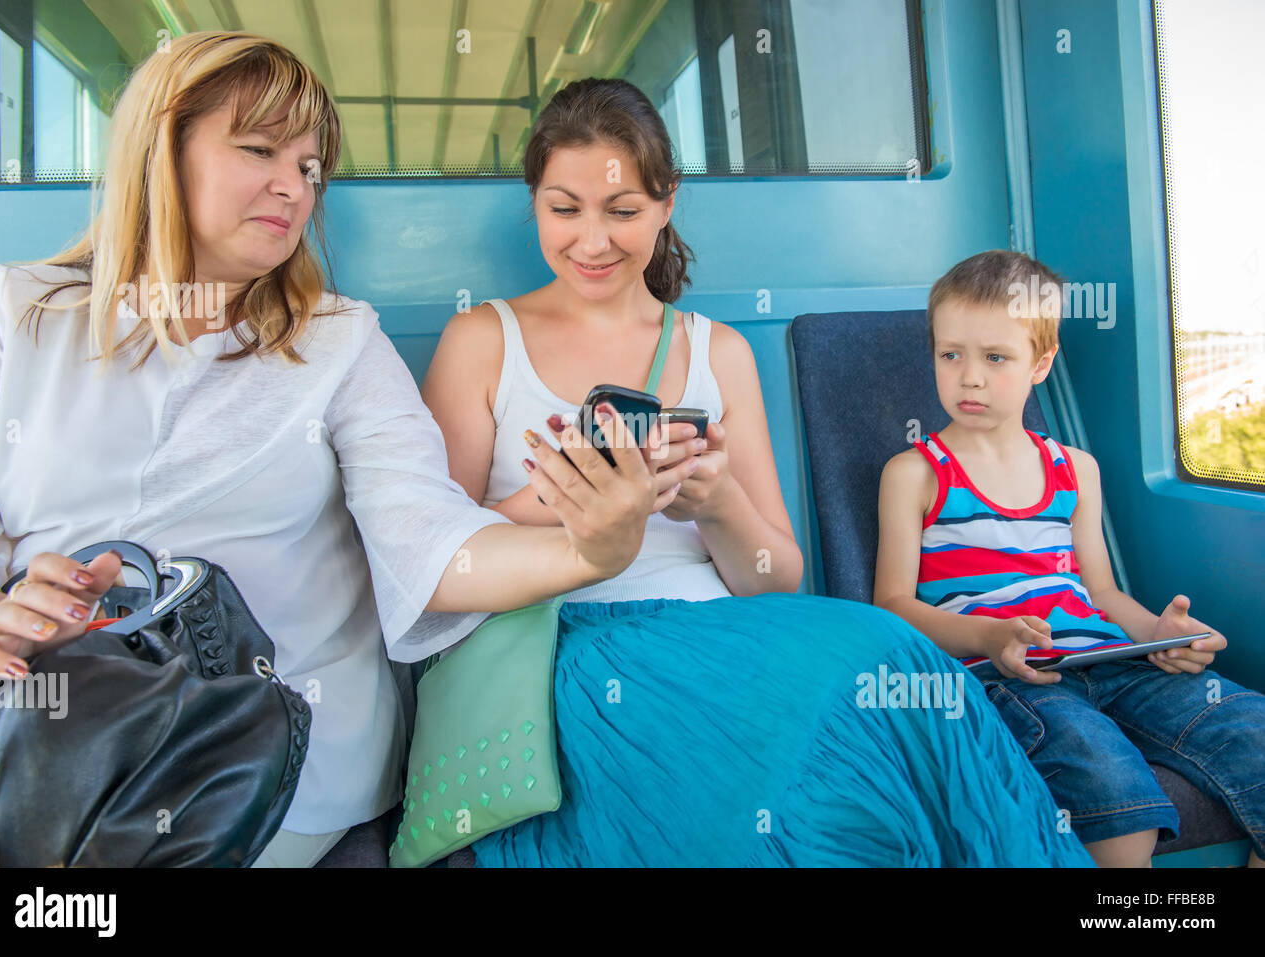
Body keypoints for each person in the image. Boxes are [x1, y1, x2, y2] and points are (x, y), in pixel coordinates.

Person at [0, 32, 660, 868]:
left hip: (273, 776)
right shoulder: (17, 315)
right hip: (47, 750)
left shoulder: (338, 342)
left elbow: (432, 548)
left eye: (309, 166)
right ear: (160, 148)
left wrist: (594, 547)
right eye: (260, 150)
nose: (293, 186)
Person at [421, 78, 1094, 866]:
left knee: (894, 659)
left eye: (623, 210)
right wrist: (561, 500)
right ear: (534, 202)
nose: (592, 240)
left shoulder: (720, 352)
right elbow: (433, 566)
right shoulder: (481, 340)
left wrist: (718, 501)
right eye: (564, 209)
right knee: (806, 785)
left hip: (731, 627)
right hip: (565, 643)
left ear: (667, 203)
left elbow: (778, 576)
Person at [873, 248, 1265, 867]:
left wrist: (1157, 634)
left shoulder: (1074, 470)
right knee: (1113, 794)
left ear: (1041, 363)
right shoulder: (915, 472)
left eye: (995, 358)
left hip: (1115, 659)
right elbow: (892, 606)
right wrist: (990, 633)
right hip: (1015, 677)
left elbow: (1103, 594)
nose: (968, 377)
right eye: (951, 355)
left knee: (1253, 732)